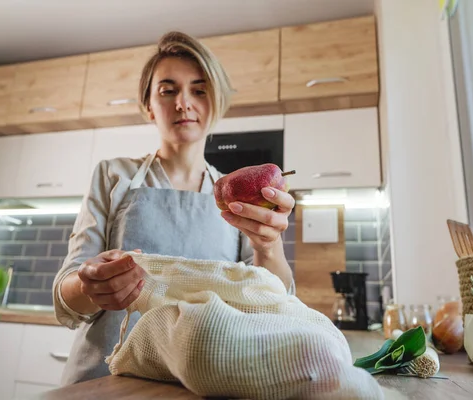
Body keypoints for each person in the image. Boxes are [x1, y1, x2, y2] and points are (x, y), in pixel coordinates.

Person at [52, 31, 296, 385]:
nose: (184, 103)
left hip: (198, 382)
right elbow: (65, 296)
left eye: (199, 89)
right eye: (168, 90)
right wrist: (90, 286)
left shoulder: (239, 196)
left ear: (217, 101)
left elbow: (269, 303)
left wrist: (268, 245)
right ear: (148, 105)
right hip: (103, 380)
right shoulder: (112, 175)